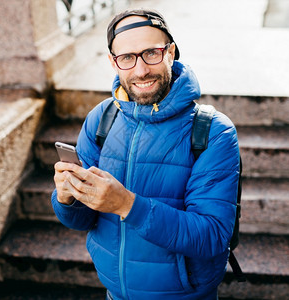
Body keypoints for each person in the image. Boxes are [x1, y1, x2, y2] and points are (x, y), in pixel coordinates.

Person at [52, 8, 240, 300]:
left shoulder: (213, 132)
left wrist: (127, 204)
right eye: (127, 58)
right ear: (114, 63)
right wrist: (67, 199)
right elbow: (81, 220)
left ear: (170, 52)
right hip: (115, 293)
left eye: (151, 53)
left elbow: (213, 236)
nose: (140, 71)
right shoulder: (102, 119)